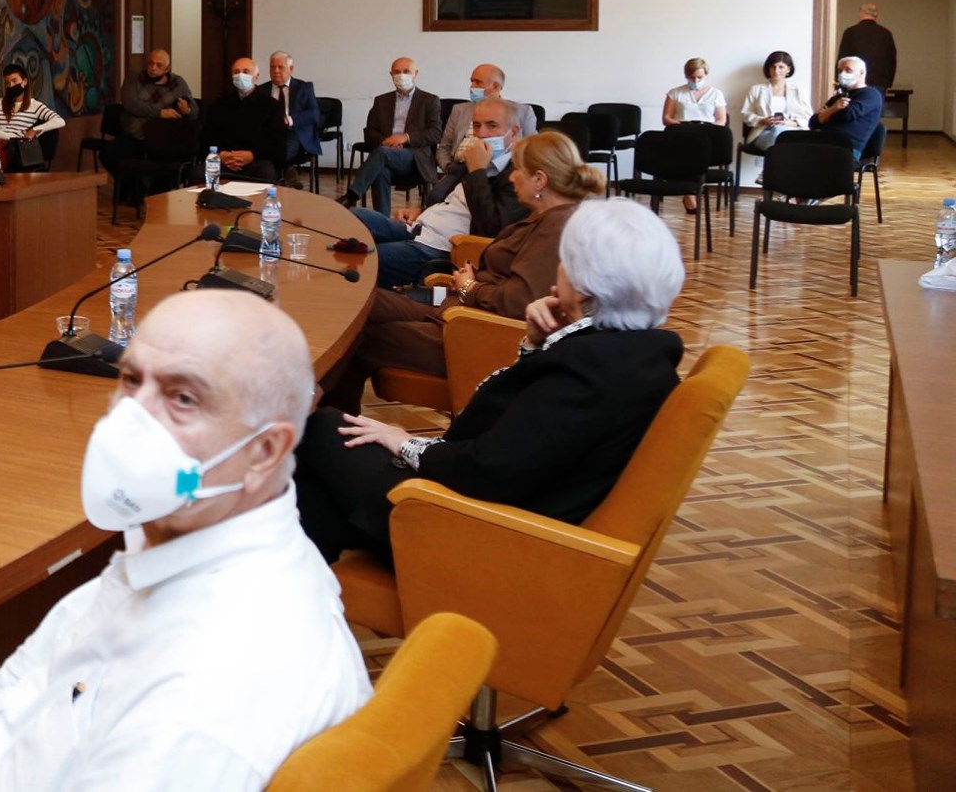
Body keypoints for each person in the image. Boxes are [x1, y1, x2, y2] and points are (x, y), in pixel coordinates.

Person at [0, 291, 369, 792]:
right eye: (131, 380)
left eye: (183, 398)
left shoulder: (209, 695)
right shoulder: (182, 539)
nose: (131, 419)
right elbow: (36, 668)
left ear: (265, 452)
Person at [295, 197, 686, 564]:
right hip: (495, 513)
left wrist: (405, 443)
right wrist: (536, 345)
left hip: (475, 530)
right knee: (315, 500)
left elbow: (489, 469)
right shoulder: (635, 354)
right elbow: (520, 434)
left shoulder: (590, 368)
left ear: (584, 286)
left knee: (323, 428)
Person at [320, 131, 605, 413]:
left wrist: (470, 286)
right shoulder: (544, 217)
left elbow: (517, 301)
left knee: (360, 336)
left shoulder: (556, 228)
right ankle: (323, 416)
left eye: (518, 170)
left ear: (539, 180)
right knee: (358, 303)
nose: (512, 177)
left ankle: (325, 419)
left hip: (474, 334)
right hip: (459, 311)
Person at [351, 98, 527, 288]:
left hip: (441, 248)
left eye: (492, 125)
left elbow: (492, 229)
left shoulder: (517, 176)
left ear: (513, 133)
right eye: (477, 126)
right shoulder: (476, 159)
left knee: (362, 258)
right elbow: (447, 198)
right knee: (351, 217)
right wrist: (422, 210)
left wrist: (477, 171)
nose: (481, 134)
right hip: (418, 228)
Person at [340, 57, 443, 212]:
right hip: (386, 152)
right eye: (397, 72)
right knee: (380, 170)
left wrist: (406, 137)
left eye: (406, 71)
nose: (402, 75)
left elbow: (435, 133)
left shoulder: (429, 100)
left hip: (415, 157)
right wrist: (386, 141)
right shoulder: (381, 101)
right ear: (391, 75)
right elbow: (369, 132)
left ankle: (352, 195)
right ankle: (382, 220)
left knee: (382, 153)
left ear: (416, 73)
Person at [200, 56, 284, 184]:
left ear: (256, 77)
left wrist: (252, 155)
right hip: (225, 162)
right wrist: (222, 154)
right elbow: (207, 138)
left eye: (246, 72)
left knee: (266, 171)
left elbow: (277, 144)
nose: (240, 75)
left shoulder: (271, 105)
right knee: (198, 172)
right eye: (236, 72)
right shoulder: (219, 104)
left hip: (256, 161)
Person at [436, 63, 538, 168]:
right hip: (459, 168)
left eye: (478, 82)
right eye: (472, 81)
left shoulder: (522, 111)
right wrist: (448, 167)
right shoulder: (459, 110)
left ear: (496, 86)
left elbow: (533, 151)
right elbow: (444, 148)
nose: (472, 87)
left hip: (503, 170)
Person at [662, 56, 728, 212]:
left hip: (707, 134)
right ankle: (689, 193)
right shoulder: (675, 93)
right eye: (692, 77)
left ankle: (691, 189)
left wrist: (708, 130)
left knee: (697, 149)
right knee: (685, 149)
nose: (696, 80)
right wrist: (682, 127)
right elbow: (666, 118)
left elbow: (721, 119)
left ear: (706, 75)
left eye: (699, 77)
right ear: (686, 76)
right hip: (682, 132)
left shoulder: (716, 94)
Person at [252, 51, 320, 186]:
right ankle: (286, 174)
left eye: (280, 67)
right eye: (272, 67)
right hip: (268, 133)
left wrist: (290, 120)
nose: (276, 71)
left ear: (291, 69)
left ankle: (280, 178)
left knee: (282, 145)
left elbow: (314, 114)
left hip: (293, 131)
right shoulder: (261, 90)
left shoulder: (304, 88)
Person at [0, 63, 66, 172]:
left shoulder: (35, 105)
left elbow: (60, 121)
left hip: (19, 152)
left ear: (24, 82)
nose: (11, 85)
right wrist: (16, 138)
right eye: (8, 83)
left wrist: (35, 130)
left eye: (14, 81)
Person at [116, 48, 198, 146]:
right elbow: (131, 104)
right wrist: (160, 113)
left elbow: (195, 111)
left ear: (167, 69)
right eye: (151, 63)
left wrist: (186, 110)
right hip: (135, 136)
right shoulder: (134, 78)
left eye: (159, 65)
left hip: (166, 138)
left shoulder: (178, 82)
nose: (153, 68)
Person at [739, 50, 812, 154]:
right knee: (778, 132)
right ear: (768, 69)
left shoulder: (799, 91)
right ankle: (781, 162)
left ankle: (775, 163)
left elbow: (808, 118)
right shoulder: (756, 90)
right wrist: (762, 120)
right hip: (764, 132)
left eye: (781, 67)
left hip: (791, 132)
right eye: (773, 67)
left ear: (788, 69)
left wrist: (789, 123)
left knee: (781, 131)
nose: (776, 71)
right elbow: (746, 115)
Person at [812, 55, 884, 158]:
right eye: (840, 71)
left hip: (847, 148)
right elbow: (813, 122)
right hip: (825, 142)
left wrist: (826, 115)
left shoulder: (870, 94)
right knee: (793, 142)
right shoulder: (838, 98)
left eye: (848, 70)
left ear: (861, 73)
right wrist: (834, 108)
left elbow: (848, 114)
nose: (842, 74)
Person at [836, 2, 897, 91]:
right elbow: (891, 60)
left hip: (854, 79)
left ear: (861, 13)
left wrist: (839, 79)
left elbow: (843, 58)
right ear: (876, 15)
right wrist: (888, 82)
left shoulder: (850, 32)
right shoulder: (885, 34)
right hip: (879, 81)